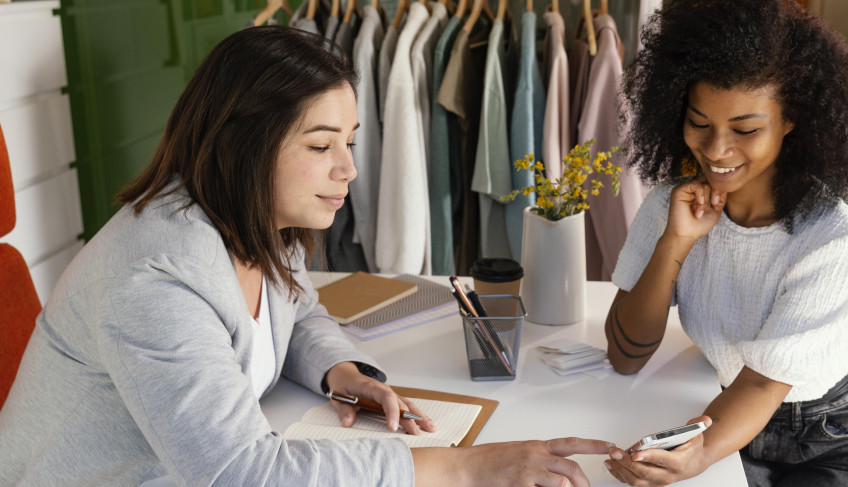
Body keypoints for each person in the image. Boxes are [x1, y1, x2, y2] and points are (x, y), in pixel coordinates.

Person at [0, 26, 611, 486]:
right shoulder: (154, 279)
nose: (348, 169)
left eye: (348, 142)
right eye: (321, 145)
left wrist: (342, 373)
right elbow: (243, 474)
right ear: (247, 145)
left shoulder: (251, 216)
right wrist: (465, 469)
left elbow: (297, 312)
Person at [603, 1, 848, 486]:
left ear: (791, 119)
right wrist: (675, 241)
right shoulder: (670, 207)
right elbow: (623, 354)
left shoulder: (830, 236)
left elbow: (761, 381)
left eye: (746, 129)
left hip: (824, 435)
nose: (716, 150)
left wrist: (696, 453)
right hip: (721, 406)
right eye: (700, 123)